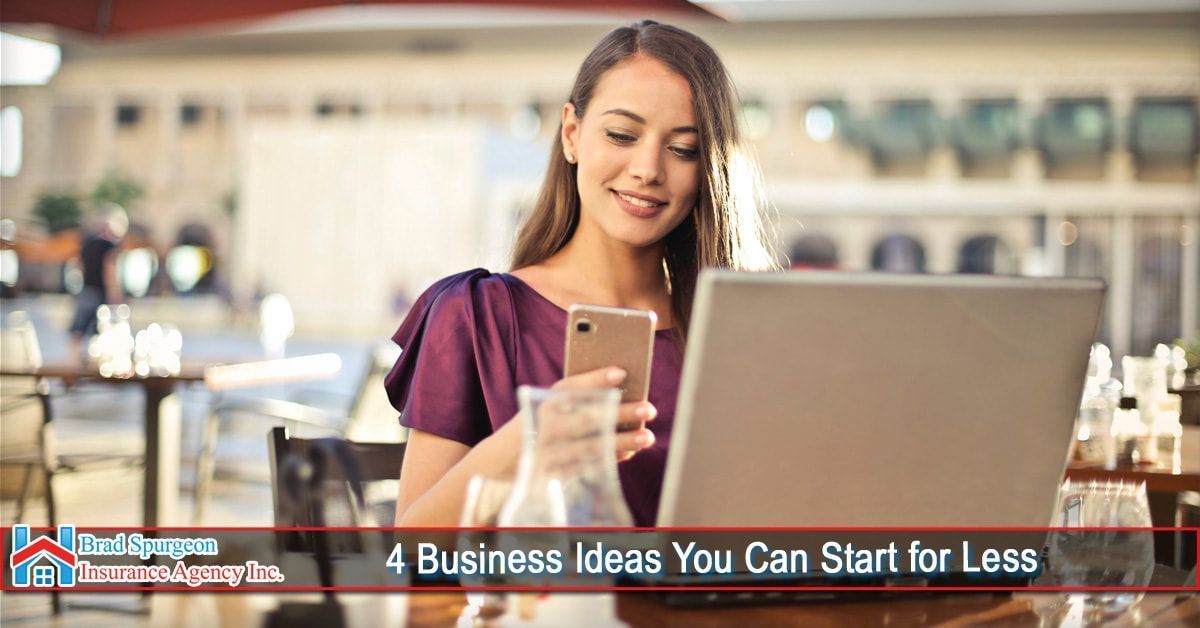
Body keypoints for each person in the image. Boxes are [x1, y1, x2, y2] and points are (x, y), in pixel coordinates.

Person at [385, 20, 778, 527]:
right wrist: (530, 439)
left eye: (683, 148)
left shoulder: (738, 331)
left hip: (712, 602)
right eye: (621, 135)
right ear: (572, 134)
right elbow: (415, 546)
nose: (648, 169)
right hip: (539, 606)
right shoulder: (478, 313)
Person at [67, 204, 127, 360]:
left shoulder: (87, 244)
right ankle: (101, 360)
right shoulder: (109, 246)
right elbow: (109, 269)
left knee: (79, 328)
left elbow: (78, 265)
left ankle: (72, 360)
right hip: (100, 291)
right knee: (104, 326)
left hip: (86, 289)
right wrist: (114, 291)